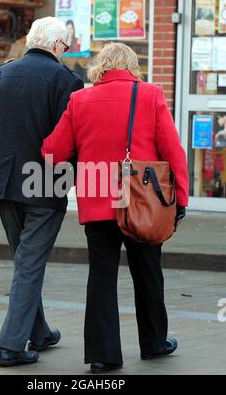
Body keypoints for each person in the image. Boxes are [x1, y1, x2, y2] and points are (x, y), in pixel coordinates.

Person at [42, 43, 189, 374]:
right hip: (143, 201)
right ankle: (153, 344)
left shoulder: (80, 100)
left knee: (101, 276)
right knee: (149, 272)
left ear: (100, 67)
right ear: (132, 66)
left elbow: (54, 150)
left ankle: (103, 356)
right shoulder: (150, 95)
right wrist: (181, 198)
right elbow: (173, 150)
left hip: (97, 201)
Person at [0, 17, 84, 368]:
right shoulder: (67, 80)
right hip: (45, 184)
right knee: (28, 263)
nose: (66, 50)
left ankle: (39, 332)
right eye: (66, 45)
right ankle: (11, 347)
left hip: (3, 183)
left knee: (24, 260)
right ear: (57, 44)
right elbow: (74, 137)